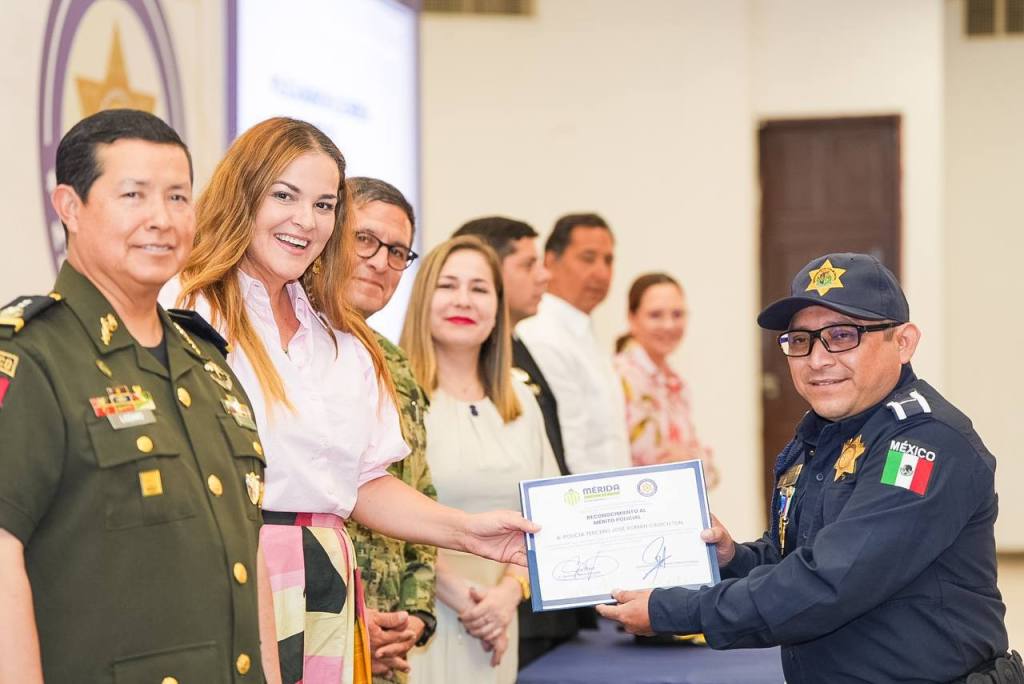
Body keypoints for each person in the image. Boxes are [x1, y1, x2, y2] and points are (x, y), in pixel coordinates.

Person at [170, 118, 536, 684]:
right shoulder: (188, 308)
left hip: (327, 576)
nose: (306, 220)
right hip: (229, 568)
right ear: (243, 194)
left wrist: (468, 532)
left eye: (324, 205)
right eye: (284, 196)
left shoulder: (344, 341)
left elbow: (362, 482)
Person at [598, 253, 1019, 683]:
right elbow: (795, 557)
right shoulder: (821, 436)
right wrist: (732, 558)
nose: (817, 359)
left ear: (903, 342)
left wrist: (675, 610)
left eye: (842, 335)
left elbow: (832, 581)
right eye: (801, 340)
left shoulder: (923, 444)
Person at [0, 109, 278, 682]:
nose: (162, 219)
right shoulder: (33, 358)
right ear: (70, 207)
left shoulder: (209, 365)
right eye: (134, 195)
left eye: (178, 198)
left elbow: (249, 553)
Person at [402, 237, 559, 683]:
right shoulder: (396, 394)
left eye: (479, 288)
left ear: (498, 306)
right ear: (423, 298)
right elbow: (377, 515)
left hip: (497, 622)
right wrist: (460, 594)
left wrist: (507, 595)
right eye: (448, 285)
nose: (463, 300)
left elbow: (548, 515)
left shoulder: (521, 400)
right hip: (417, 615)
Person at [453, 216, 586, 667]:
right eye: (528, 264)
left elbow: (549, 477)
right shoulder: (422, 388)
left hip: (521, 586)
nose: (544, 276)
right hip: (463, 592)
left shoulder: (517, 363)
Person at [343, 177, 438, 684]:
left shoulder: (396, 365)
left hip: (390, 649)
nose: (381, 261)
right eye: (365, 240)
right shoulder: (277, 353)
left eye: (398, 251)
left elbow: (419, 488)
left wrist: (415, 616)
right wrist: (351, 629)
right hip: (314, 635)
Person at [516, 213, 630, 474]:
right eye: (588, 258)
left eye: (608, 260)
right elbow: (567, 444)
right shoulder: (541, 333)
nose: (602, 272)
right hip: (583, 494)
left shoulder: (583, 331)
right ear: (550, 261)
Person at [613, 273, 718, 487]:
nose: (669, 325)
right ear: (632, 318)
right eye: (655, 315)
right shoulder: (616, 378)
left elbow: (711, 476)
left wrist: (691, 460)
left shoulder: (676, 384)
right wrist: (694, 461)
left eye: (677, 314)